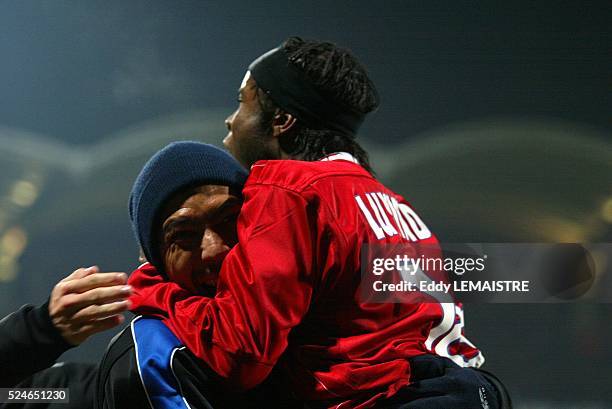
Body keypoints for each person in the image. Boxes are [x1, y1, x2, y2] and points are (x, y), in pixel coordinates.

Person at [127, 37, 512, 408]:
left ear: (280, 120)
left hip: (402, 398)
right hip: (470, 387)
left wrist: (150, 286)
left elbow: (241, 355)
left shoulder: (286, 189)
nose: (231, 122)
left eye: (242, 103)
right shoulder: (390, 201)